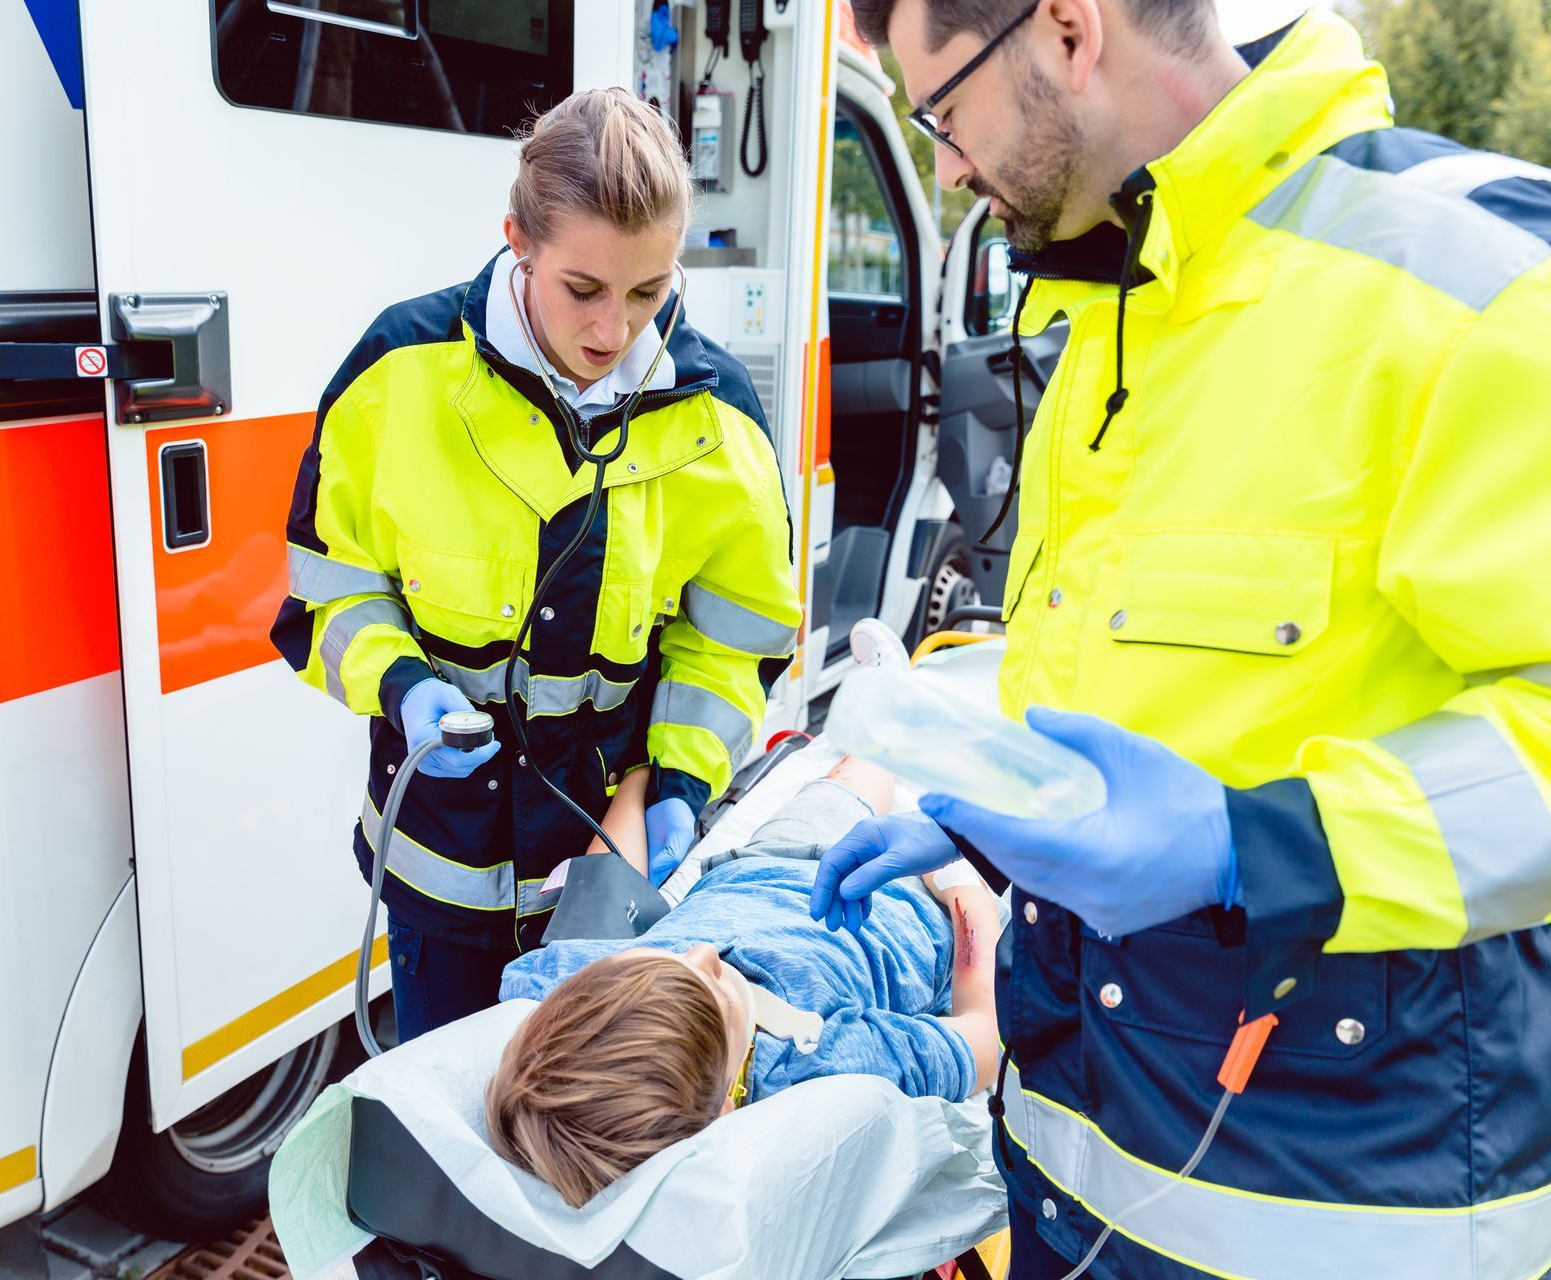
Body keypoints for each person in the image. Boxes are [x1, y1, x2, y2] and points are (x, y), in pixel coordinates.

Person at [813, 1, 1551, 1276]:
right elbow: (1155, 677)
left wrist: (1247, 846)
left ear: (1066, 30)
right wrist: (1001, 805)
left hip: (1340, 1198)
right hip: (1072, 1185)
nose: (941, 164)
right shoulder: (1118, 303)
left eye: (941, 112)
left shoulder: (1472, 278)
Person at [272, 88, 802, 1042]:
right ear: (517, 239)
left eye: (651, 293)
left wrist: (680, 786)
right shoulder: (397, 374)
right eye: (584, 290)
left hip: (610, 892)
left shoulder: (721, 420)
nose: (615, 333)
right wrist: (400, 686)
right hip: (444, 881)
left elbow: (735, 643)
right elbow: (330, 587)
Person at [488, 758, 1000, 1207]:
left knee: (857, 768)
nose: (705, 952)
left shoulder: (559, 991)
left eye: (674, 962)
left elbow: (605, 887)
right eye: (720, 992)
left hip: (761, 863)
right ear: (727, 1106)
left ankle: (886, 707)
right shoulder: (817, 1067)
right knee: (887, 780)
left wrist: (639, 782)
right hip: (907, 908)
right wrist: (962, 883)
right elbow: (983, 1038)